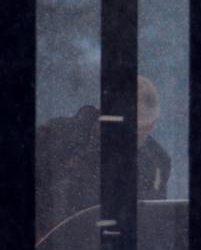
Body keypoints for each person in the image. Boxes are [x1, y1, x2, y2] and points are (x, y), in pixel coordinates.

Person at [34, 75, 172, 240]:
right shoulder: (54, 137)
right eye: (136, 126)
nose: (144, 134)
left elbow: (151, 224)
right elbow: (54, 201)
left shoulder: (157, 160)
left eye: (150, 126)